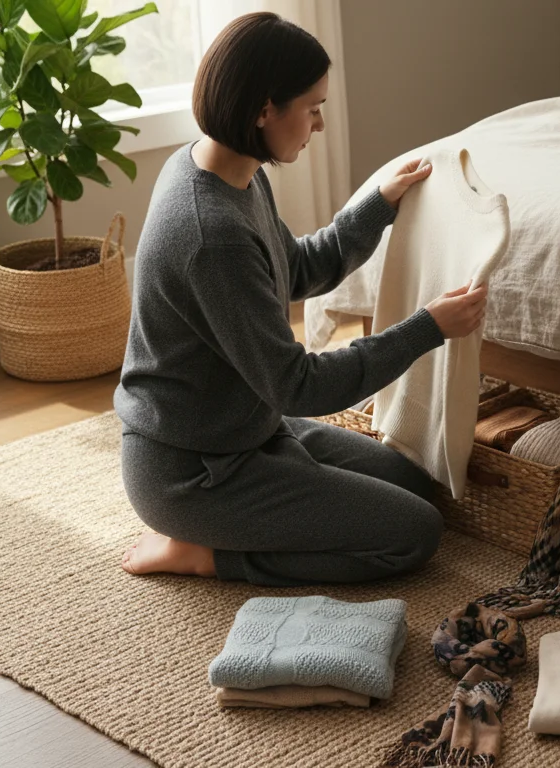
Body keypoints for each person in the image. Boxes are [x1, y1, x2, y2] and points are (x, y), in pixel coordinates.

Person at [114, 12, 486, 585]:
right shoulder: (210, 234)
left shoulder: (233, 171)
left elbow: (296, 269)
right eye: (312, 108)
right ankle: (204, 553)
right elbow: (300, 386)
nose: (317, 125)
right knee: (414, 534)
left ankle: (250, 511)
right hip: (192, 471)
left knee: (413, 483)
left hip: (250, 430)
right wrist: (426, 328)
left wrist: (379, 206)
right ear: (265, 109)